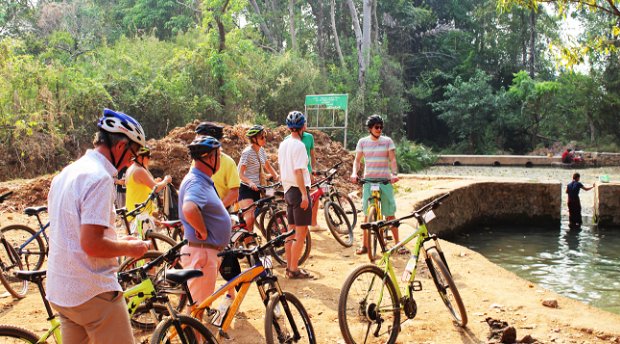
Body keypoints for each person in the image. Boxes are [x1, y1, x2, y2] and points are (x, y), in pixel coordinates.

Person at [46, 108, 150, 343]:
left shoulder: (67, 173)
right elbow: (92, 244)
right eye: (132, 154)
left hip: (62, 290)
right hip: (92, 291)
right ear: (121, 146)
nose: (129, 162)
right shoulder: (100, 178)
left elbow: (73, 232)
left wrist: (120, 242)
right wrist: (129, 249)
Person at [179, 135, 232, 304]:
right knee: (198, 311)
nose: (220, 160)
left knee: (198, 307)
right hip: (202, 254)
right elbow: (189, 208)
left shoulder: (200, 180)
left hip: (204, 252)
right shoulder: (197, 182)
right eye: (219, 155)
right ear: (209, 158)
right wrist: (202, 230)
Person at [350, 114, 405, 255]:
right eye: (376, 127)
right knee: (366, 213)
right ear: (370, 128)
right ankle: (364, 246)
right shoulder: (362, 142)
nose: (379, 129)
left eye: (381, 127)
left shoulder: (387, 141)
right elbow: (357, 161)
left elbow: (392, 160)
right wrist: (354, 173)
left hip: (385, 180)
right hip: (369, 181)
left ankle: (398, 244)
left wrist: (394, 174)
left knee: (390, 213)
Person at [278, 111, 313, 279]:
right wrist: (305, 195)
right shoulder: (299, 145)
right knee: (300, 234)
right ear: (303, 127)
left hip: (287, 191)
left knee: (290, 232)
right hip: (298, 191)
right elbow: (298, 171)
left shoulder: (283, 144)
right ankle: (294, 269)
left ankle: (289, 266)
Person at [238, 124, 279, 231]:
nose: (264, 139)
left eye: (265, 136)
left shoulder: (261, 150)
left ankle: (275, 229)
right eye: (262, 137)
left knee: (273, 199)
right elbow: (240, 174)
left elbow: (268, 166)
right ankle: (248, 242)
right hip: (247, 189)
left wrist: (276, 176)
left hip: (260, 186)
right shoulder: (247, 153)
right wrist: (250, 183)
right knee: (250, 218)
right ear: (254, 139)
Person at [195, 122, 240, 210]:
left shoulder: (228, 162)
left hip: (222, 213)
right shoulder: (197, 160)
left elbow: (234, 192)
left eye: (199, 138)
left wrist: (217, 209)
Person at [285, 122, 320, 231]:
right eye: (303, 123)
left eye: (305, 123)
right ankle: (298, 227)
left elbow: (312, 155)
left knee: (315, 196)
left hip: (307, 172)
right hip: (297, 174)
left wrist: (313, 169)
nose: (305, 125)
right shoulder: (287, 139)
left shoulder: (309, 137)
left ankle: (313, 223)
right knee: (300, 198)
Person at [125, 145, 172, 218]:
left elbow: (139, 186)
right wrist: (166, 180)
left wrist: (154, 181)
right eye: (148, 157)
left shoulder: (131, 169)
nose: (149, 159)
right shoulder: (139, 170)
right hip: (141, 215)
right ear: (141, 157)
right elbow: (156, 188)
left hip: (133, 212)